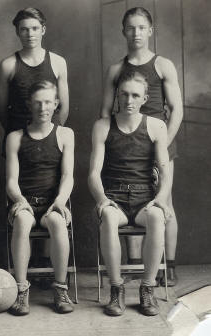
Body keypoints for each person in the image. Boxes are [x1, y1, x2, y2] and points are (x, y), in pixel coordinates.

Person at [100, 7, 182, 285]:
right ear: (123, 31)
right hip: (125, 145)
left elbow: (177, 110)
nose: (136, 33)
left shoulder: (163, 65)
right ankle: (135, 262)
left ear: (150, 31)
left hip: (159, 141)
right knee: (128, 202)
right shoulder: (116, 69)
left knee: (163, 202)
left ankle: (168, 265)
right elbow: (105, 113)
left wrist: (162, 147)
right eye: (131, 28)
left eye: (141, 27)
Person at [89, 71, 171, 316]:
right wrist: (102, 200)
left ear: (145, 98)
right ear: (117, 95)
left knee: (157, 217)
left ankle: (148, 289)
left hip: (145, 198)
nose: (129, 100)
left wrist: (160, 199)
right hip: (115, 197)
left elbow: (165, 171)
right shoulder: (103, 126)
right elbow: (93, 173)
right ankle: (116, 288)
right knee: (109, 218)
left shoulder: (156, 126)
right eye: (124, 94)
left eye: (135, 95)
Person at [6, 80, 74, 315]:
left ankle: (60, 288)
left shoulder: (65, 134)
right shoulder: (15, 137)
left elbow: (68, 175)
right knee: (23, 221)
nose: (43, 107)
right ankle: (21, 289)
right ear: (29, 104)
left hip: (52, 202)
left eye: (47, 102)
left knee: (57, 221)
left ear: (56, 104)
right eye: (37, 102)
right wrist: (19, 199)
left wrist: (60, 201)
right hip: (25, 202)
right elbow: (11, 180)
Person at [0, 7, 69, 137]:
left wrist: (51, 134)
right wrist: (17, 137)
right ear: (17, 32)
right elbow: (2, 111)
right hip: (19, 136)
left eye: (35, 28)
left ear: (43, 30)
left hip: (51, 136)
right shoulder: (7, 65)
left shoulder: (58, 62)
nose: (30, 34)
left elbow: (64, 108)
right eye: (24, 29)